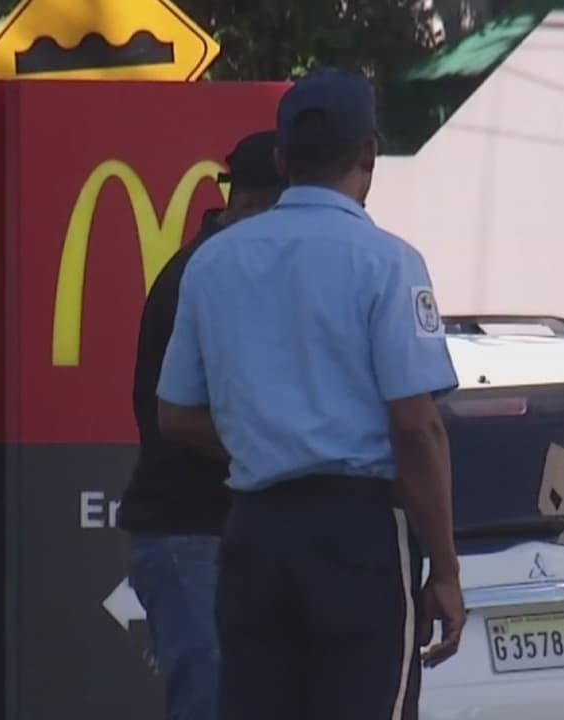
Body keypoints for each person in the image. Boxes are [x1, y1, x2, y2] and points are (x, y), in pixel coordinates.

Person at [156, 68, 464, 720]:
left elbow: (175, 415)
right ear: (368, 154)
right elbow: (415, 426)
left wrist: (266, 441)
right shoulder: (389, 262)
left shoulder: (213, 261)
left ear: (281, 159)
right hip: (356, 532)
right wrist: (445, 569)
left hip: (254, 530)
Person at [120, 129, 284, 720]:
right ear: (251, 203)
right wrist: (286, 460)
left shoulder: (230, 270)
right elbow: (183, 418)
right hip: (191, 533)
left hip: (221, 533)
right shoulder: (210, 275)